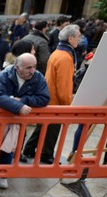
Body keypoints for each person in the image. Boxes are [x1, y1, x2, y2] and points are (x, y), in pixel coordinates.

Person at [23, 24, 80, 164]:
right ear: (71, 38)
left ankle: (29, 149)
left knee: (42, 126)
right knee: (52, 129)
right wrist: (68, 104)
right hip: (56, 100)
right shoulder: (66, 57)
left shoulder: (57, 52)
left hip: (49, 96)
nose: (80, 39)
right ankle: (46, 154)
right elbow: (64, 86)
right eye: (78, 36)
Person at [0, 52, 51, 171]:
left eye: (34, 66)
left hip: (19, 125)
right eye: (29, 67)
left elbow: (44, 98)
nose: (32, 70)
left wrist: (24, 100)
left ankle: (4, 173)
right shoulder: (3, 75)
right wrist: (19, 106)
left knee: (12, 148)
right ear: (17, 67)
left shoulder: (38, 77)